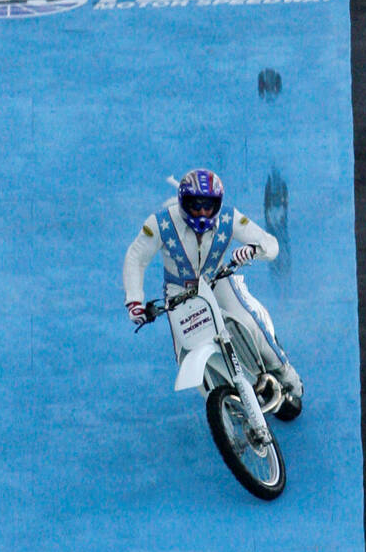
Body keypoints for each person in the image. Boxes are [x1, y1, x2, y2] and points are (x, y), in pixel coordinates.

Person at [122, 167, 303, 397]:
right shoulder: (160, 223)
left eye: (208, 206)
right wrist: (134, 301)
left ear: (217, 205)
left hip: (217, 280)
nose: (202, 213)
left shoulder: (230, 218)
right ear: (182, 203)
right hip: (179, 291)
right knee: (186, 354)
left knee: (248, 322)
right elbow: (136, 258)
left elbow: (271, 244)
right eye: (195, 206)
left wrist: (253, 250)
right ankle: (222, 401)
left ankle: (288, 374)